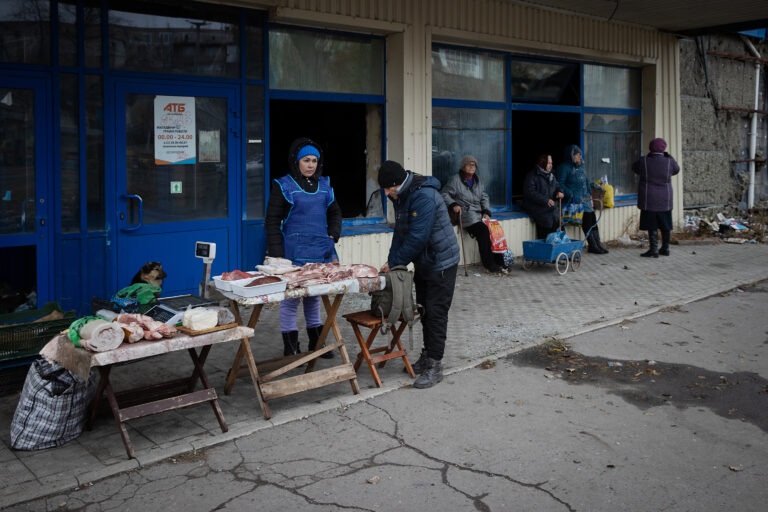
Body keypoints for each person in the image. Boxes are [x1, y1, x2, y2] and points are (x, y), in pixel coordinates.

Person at [378, 160, 460, 389]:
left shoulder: (423, 197)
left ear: (397, 184)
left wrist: (396, 261)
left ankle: (435, 364)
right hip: (425, 261)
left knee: (436, 312)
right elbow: (400, 232)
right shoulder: (401, 196)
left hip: (441, 262)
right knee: (424, 310)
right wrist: (391, 261)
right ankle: (427, 355)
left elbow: (417, 237)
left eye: (387, 188)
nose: (386, 193)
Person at [265, 137, 342, 358]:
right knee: (291, 298)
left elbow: (335, 212)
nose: (310, 165)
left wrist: (333, 234)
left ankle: (316, 342)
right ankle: (290, 346)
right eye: (306, 160)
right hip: (293, 251)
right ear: (296, 162)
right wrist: (277, 253)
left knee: (314, 296)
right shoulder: (284, 185)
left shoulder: (325, 186)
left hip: (320, 249)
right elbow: (272, 221)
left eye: (314, 161)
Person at [440, 155, 507, 273]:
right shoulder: (455, 179)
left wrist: (486, 211)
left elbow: (484, 196)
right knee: (483, 231)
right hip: (466, 214)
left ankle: (500, 262)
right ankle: (489, 264)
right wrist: (453, 204)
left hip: (479, 214)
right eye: (469, 164)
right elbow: (444, 194)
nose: (472, 167)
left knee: (495, 230)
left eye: (474, 165)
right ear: (463, 166)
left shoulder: (477, 180)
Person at [556, 144, 609, 254]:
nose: (579, 157)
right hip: (576, 201)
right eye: (577, 155)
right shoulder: (564, 167)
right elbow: (559, 183)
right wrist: (570, 194)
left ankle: (597, 244)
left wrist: (590, 191)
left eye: (580, 154)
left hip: (585, 199)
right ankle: (592, 245)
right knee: (587, 222)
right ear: (571, 155)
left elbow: (585, 181)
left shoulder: (579, 168)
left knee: (593, 220)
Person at [632, 137, 680, 258]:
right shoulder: (669, 161)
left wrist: (648, 156)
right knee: (665, 224)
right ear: (664, 148)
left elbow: (635, 168)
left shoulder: (644, 161)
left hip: (649, 198)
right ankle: (665, 248)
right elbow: (676, 169)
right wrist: (668, 156)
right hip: (665, 198)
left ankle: (653, 250)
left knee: (651, 224)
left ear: (650, 148)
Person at [522, 154, 565, 240]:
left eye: (551, 163)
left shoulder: (551, 175)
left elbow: (557, 186)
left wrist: (560, 192)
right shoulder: (533, 176)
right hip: (541, 212)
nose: (551, 165)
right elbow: (530, 192)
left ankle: (559, 253)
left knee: (561, 236)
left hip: (553, 212)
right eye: (548, 163)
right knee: (549, 238)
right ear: (542, 163)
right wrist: (545, 200)